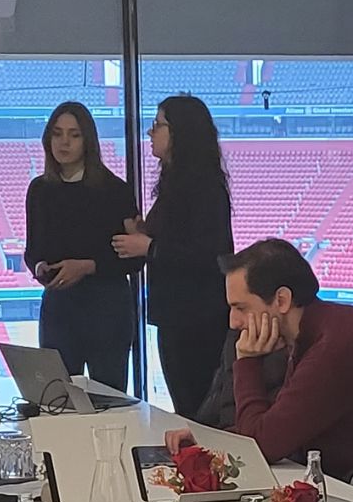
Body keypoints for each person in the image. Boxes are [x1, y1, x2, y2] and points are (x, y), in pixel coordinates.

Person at [218, 238, 353, 479]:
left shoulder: (336, 347)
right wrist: (208, 440)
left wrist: (247, 362)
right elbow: (274, 425)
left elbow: (261, 446)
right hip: (337, 480)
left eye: (241, 308)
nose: (233, 322)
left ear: (281, 300)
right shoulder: (322, 329)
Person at [113, 94, 233, 413]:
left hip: (199, 320)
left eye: (158, 125)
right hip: (175, 317)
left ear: (182, 132)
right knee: (185, 405)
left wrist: (150, 246)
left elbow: (211, 255)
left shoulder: (206, 189)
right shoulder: (173, 187)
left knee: (198, 408)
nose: (151, 133)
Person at [25, 101, 139, 389]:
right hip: (59, 308)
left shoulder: (115, 190)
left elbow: (134, 258)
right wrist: (39, 267)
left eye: (74, 135)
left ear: (88, 140)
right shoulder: (39, 190)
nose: (64, 142)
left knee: (109, 399)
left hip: (106, 309)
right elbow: (32, 249)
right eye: (58, 133)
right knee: (56, 396)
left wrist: (88, 266)